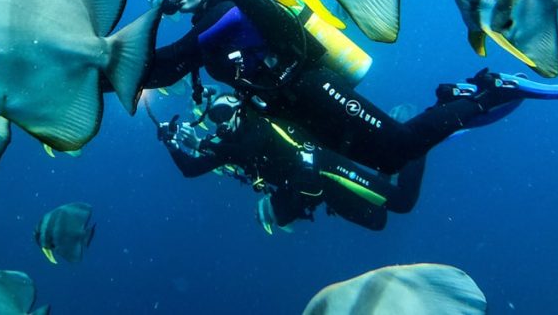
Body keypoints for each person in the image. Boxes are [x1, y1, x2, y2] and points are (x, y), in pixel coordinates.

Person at [146, 0, 558, 175]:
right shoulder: (208, 26)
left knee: (400, 143)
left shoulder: (229, 5)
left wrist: (112, 60)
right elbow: (172, 67)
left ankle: (495, 88)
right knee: (389, 160)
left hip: (310, 87)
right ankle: (455, 97)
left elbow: (176, 58)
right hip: (293, 109)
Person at [153, 91, 425, 232]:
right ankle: (392, 161)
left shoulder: (257, 125)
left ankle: (418, 138)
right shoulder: (229, 146)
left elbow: (246, 152)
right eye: (214, 118)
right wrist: (172, 145)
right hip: (320, 190)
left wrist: (202, 144)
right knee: (378, 220)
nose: (221, 121)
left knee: (402, 201)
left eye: (224, 112)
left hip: (326, 168)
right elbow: (191, 169)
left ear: (239, 108)